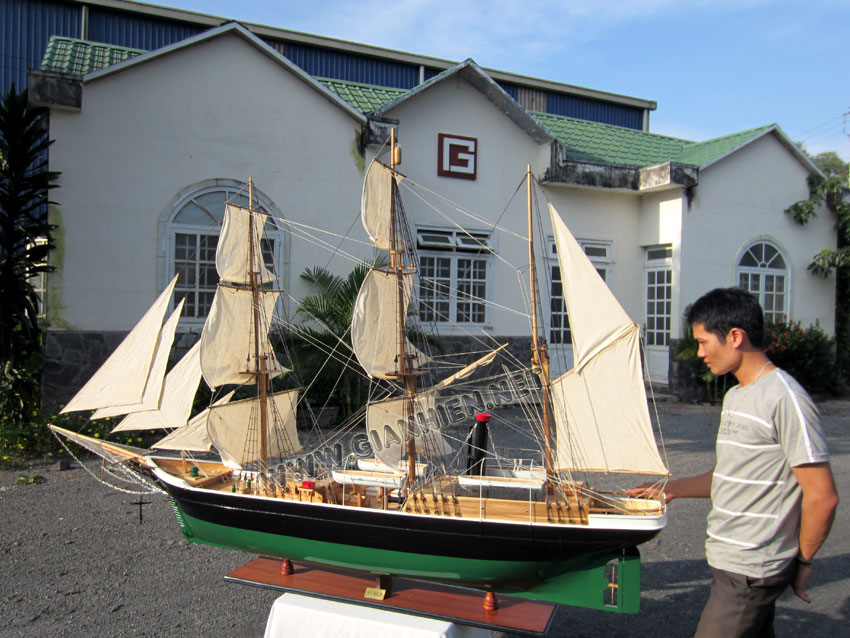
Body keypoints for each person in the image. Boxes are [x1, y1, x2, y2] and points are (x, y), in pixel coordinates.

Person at [631, 287, 838, 637]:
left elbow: (822, 495)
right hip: (730, 563)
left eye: (703, 342)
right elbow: (730, 474)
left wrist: (803, 560)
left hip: (752, 570)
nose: (699, 353)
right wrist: (669, 489)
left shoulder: (785, 398)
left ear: (735, 337)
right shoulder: (737, 395)